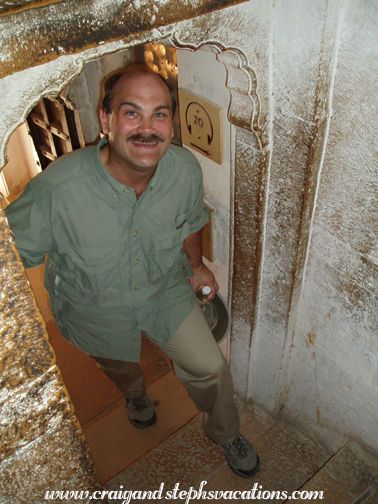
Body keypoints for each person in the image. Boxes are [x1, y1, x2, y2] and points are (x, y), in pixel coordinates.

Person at [5, 64, 259, 478]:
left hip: (164, 291)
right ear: (106, 120)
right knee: (120, 368)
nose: (147, 128)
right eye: (131, 112)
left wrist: (195, 266)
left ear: (171, 124)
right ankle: (135, 396)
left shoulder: (183, 169)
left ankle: (225, 431)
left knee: (211, 367)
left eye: (159, 113)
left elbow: (191, 219)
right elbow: (8, 263)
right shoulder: (57, 190)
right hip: (94, 308)